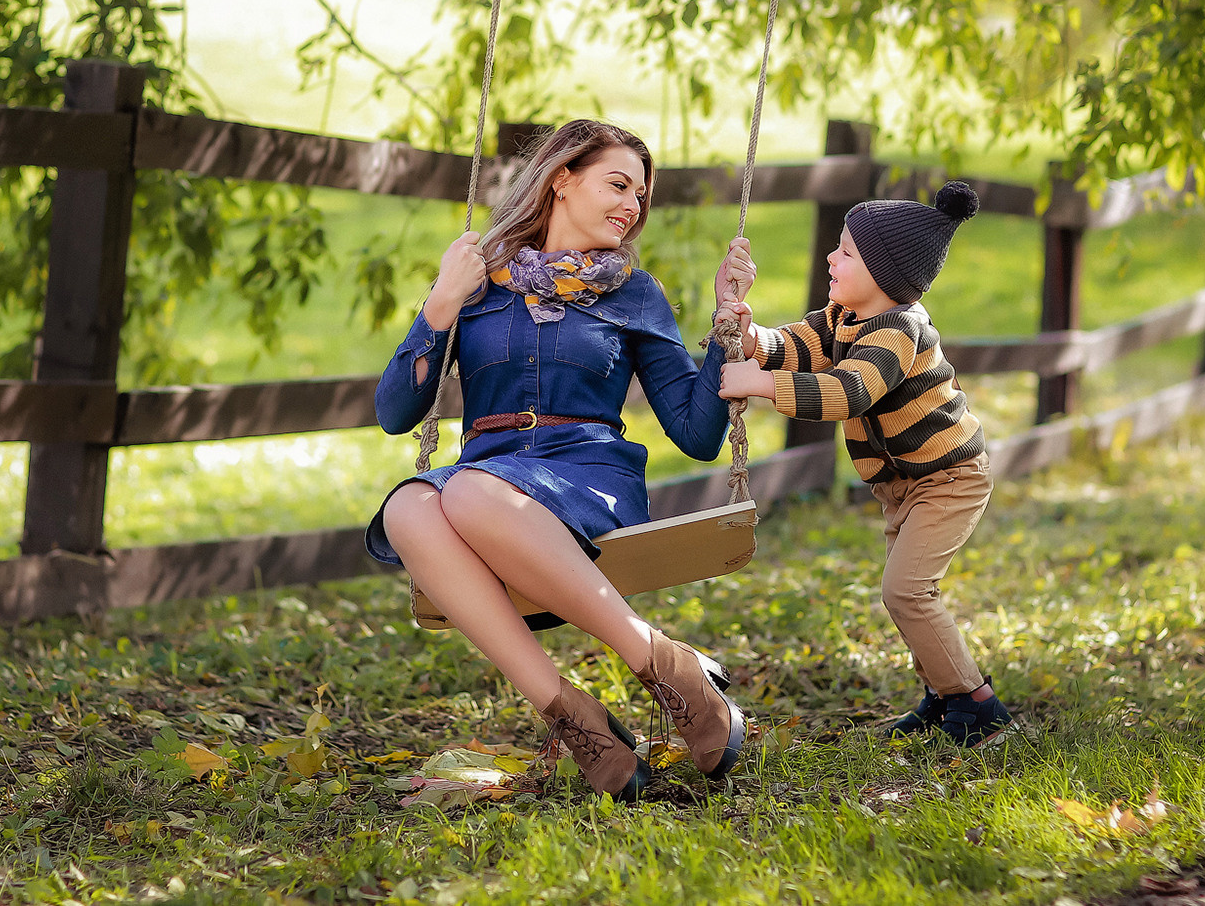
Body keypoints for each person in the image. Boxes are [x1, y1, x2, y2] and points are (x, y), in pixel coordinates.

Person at [368, 120, 754, 799]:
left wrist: (726, 324)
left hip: (588, 480)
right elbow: (396, 411)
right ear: (562, 179)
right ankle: (576, 719)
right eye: (618, 184)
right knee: (408, 505)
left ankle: (661, 664)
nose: (632, 205)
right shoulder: (477, 284)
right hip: (487, 485)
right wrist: (441, 301)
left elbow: (696, 434)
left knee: (469, 493)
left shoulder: (635, 293)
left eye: (640, 193)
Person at [718, 180, 1014, 747]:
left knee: (907, 590)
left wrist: (763, 385)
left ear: (885, 273)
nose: (832, 258)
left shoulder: (900, 331)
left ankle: (978, 704)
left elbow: (847, 393)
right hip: (902, 484)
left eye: (847, 252)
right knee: (907, 594)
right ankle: (943, 693)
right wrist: (754, 338)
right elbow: (799, 344)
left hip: (948, 478)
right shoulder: (844, 316)